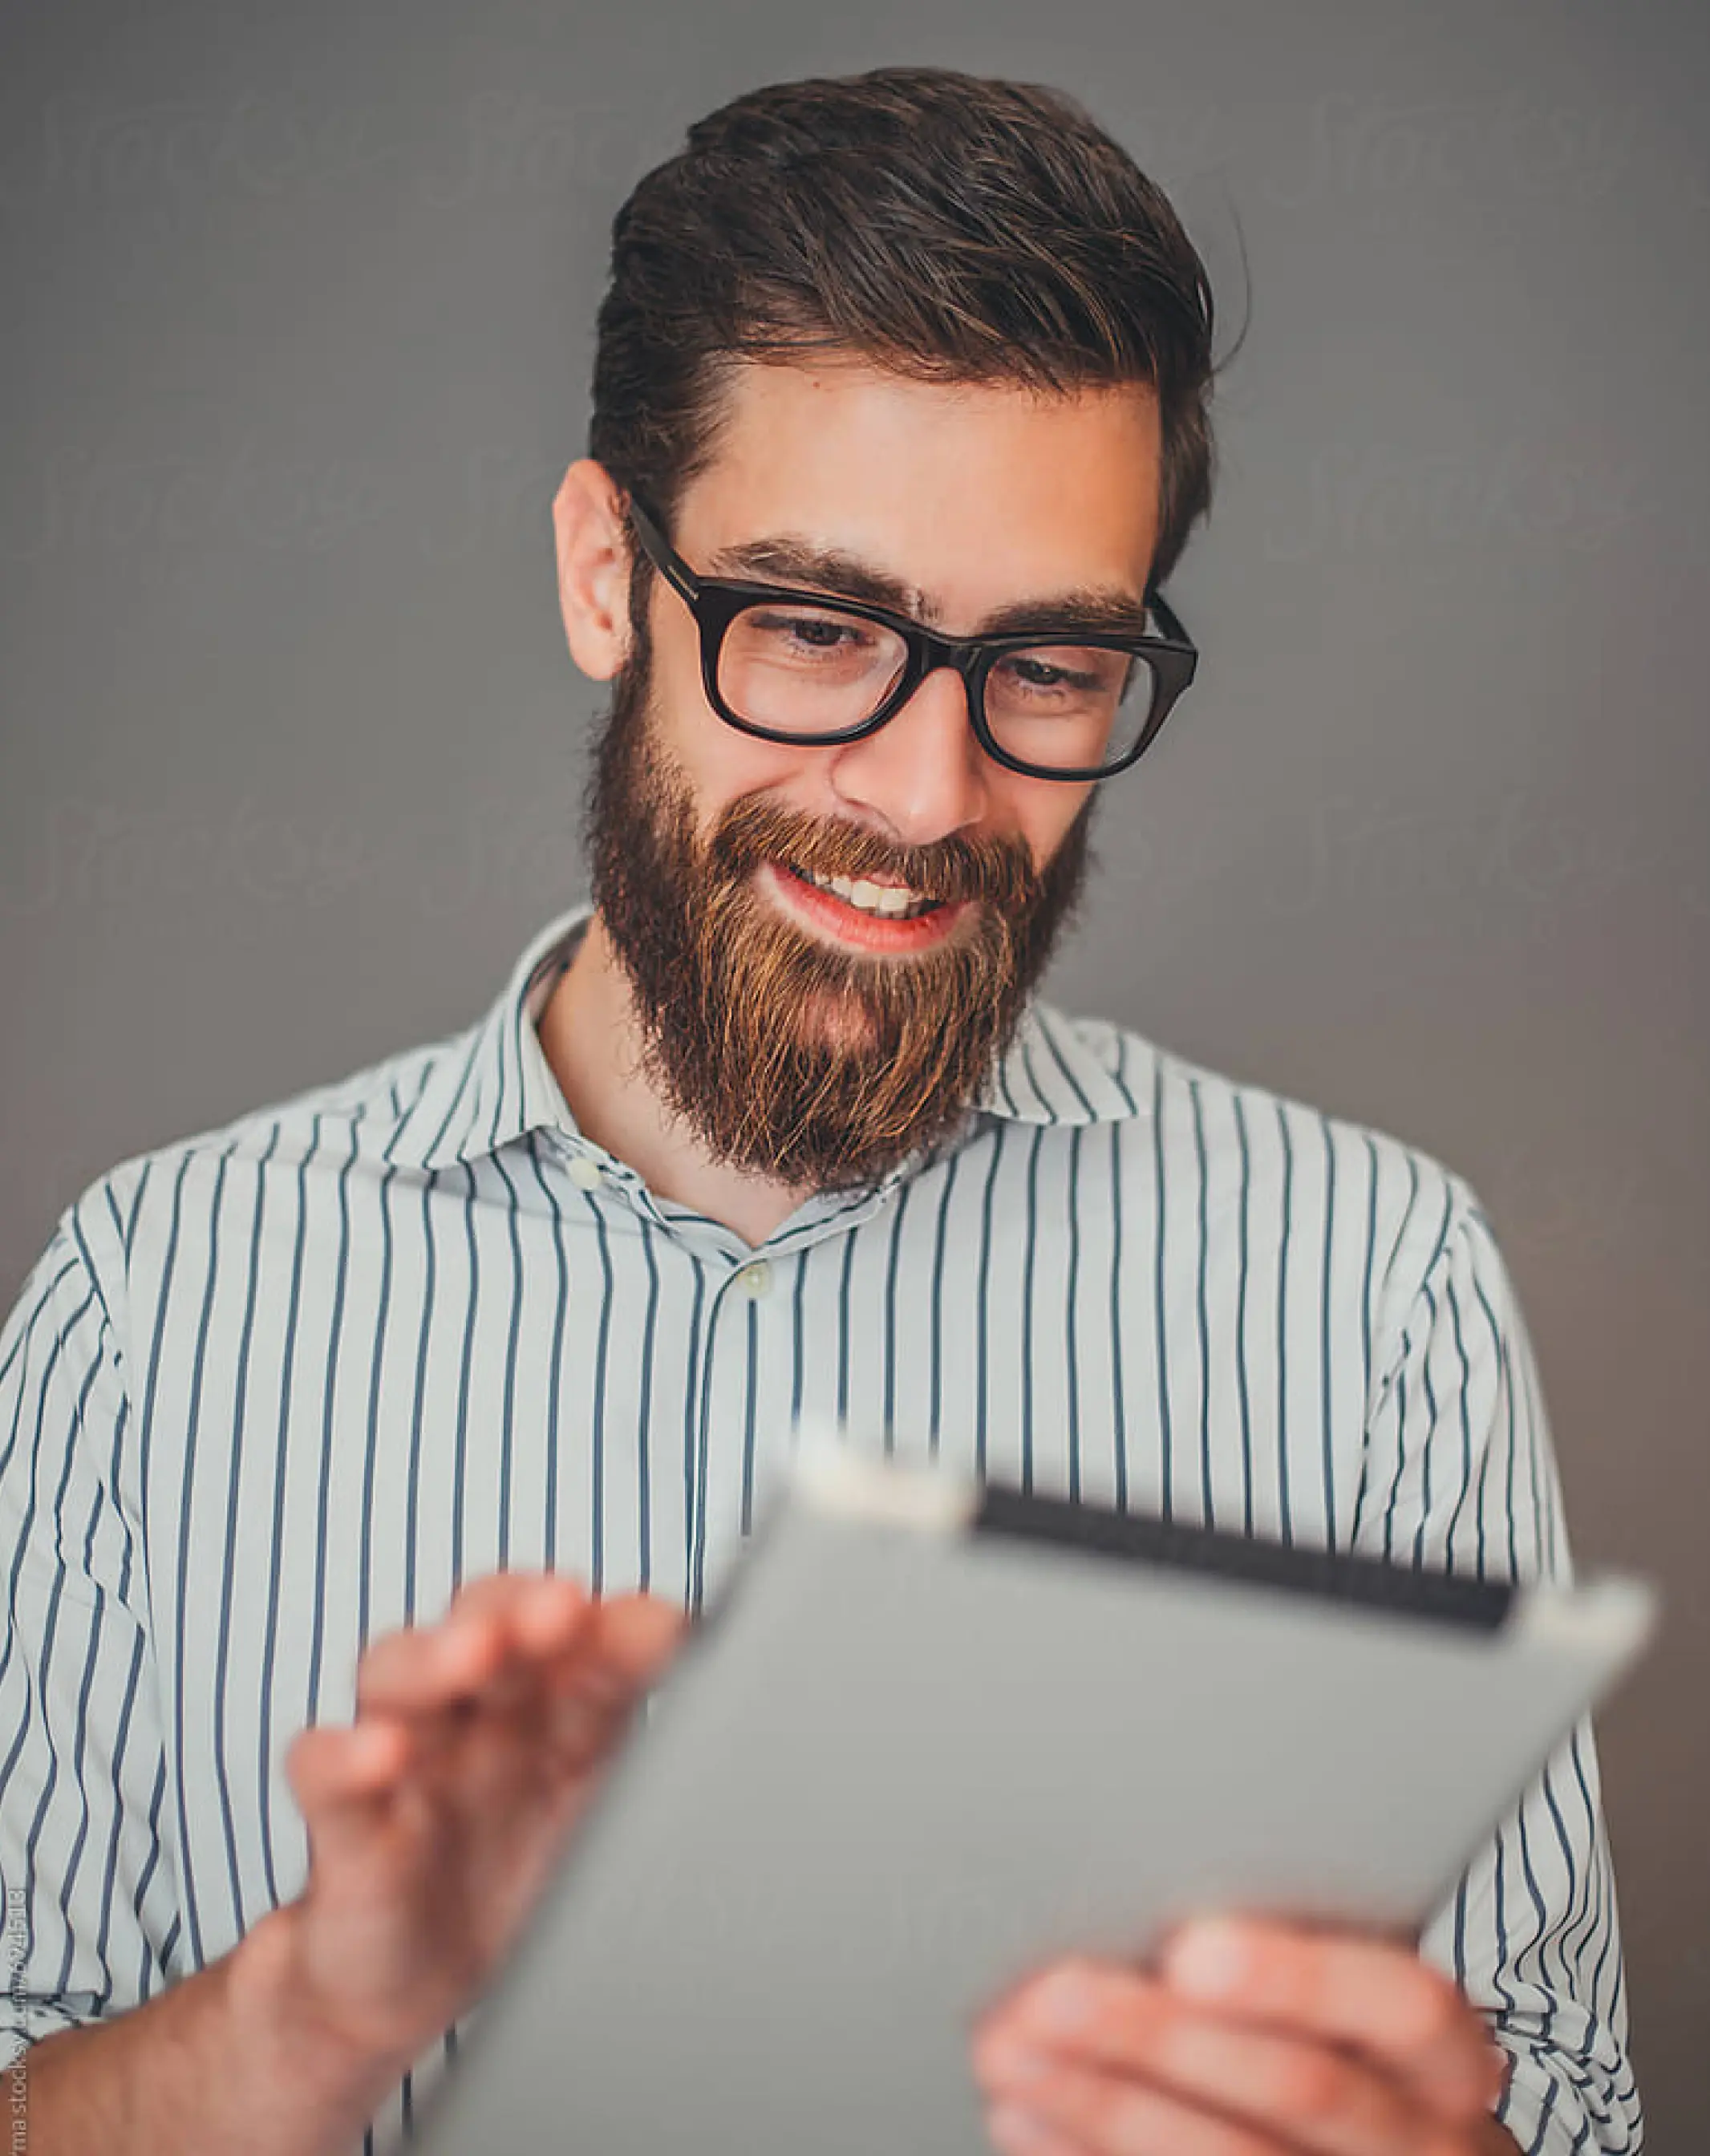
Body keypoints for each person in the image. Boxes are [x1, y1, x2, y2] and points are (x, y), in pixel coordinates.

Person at [0, 64, 1635, 2156]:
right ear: (607, 573)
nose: (926, 795)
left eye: (1048, 666)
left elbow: (1559, 2101)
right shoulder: (153, 1307)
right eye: (813, 627)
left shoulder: (1372, 1288)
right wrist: (296, 2023)